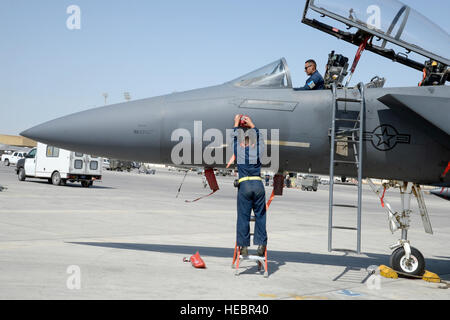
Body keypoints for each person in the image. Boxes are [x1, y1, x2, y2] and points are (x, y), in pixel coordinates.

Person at [232, 114, 267, 257]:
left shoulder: (239, 152)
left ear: (243, 144)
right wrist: (252, 125)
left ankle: (243, 246)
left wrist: (236, 124)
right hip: (258, 185)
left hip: (245, 185)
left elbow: (233, 139)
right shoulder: (257, 151)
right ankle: (261, 244)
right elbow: (262, 140)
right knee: (260, 216)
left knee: (243, 217)